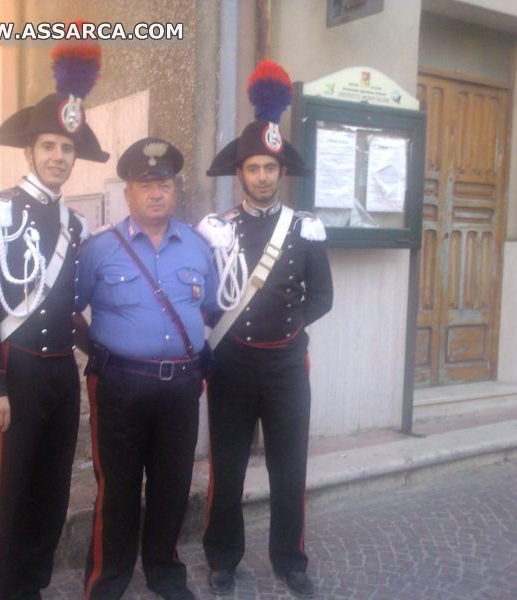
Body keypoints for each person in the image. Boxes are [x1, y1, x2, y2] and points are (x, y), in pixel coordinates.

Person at [0, 40, 109, 600]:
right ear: (30, 150)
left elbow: (66, 308)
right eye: (49, 146)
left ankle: (30, 588)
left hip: (58, 377)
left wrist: (105, 349)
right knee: (6, 496)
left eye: (67, 149)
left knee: (49, 493)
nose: (58, 157)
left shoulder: (75, 226)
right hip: (13, 374)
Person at [197, 60, 333, 598]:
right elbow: (205, 297)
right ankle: (223, 559)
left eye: (270, 169)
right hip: (230, 367)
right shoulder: (215, 232)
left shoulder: (305, 229)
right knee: (226, 472)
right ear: (240, 173)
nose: (262, 177)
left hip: (284, 367)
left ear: (281, 173)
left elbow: (322, 296)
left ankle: (290, 559)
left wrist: (289, 325)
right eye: (253, 168)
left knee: (288, 470)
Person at [77, 137, 219, 600]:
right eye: (145, 184)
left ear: (175, 190)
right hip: (119, 385)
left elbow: (213, 310)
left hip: (180, 388)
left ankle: (165, 572)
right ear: (128, 193)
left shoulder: (198, 247)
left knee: (172, 485)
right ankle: (107, 579)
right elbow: (66, 309)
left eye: (165, 183)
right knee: (116, 488)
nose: (157, 192)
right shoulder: (99, 249)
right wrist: (98, 351)